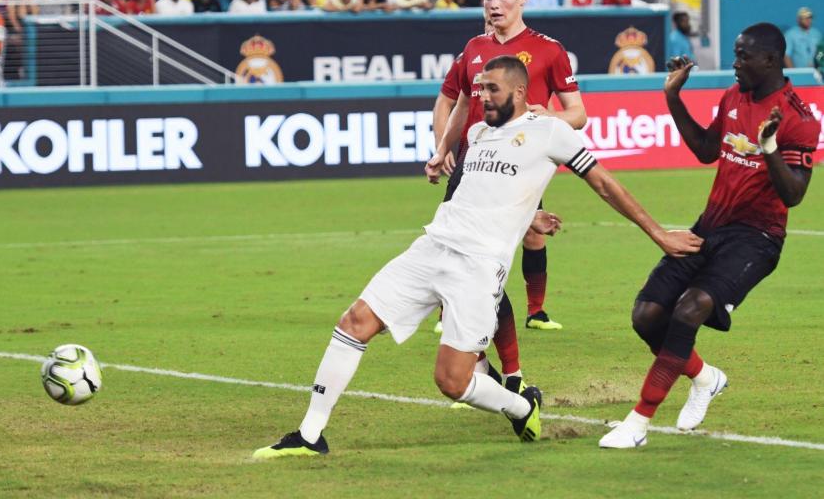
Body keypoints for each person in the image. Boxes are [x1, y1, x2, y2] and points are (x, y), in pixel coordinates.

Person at [253, 55, 702, 459]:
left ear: (520, 92)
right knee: (355, 321)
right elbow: (488, 191)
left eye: (491, 89)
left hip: (478, 268)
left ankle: (521, 406)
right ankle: (309, 435)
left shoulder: (550, 132)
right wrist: (529, 216)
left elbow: (604, 183)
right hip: (433, 245)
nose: (481, 95)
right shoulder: (478, 132)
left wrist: (658, 233)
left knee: (451, 381)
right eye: (480, 87)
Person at [599, 23, 821, 449]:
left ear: (770, 61)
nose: (735, 64)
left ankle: (638, 423)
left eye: (743, 56)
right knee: (647, 315)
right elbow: (705, 149)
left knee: (690, 308)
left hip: (757, 238)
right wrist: (672, 98)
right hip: (710, 227)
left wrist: (769, 148)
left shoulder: (798, 117)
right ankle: (704, 377)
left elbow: (793, 195)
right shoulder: (734, 95)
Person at [434, 0, 588, 392]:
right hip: (470, 168)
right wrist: (442, 148)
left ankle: (522, 340)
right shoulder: (474, 48)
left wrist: (549, 115)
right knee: (454, 262)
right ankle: (492, 372)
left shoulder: (549, 50)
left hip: (517, 170)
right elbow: (459, 104)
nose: (493, 4)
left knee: (487, 267)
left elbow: (578, 114)